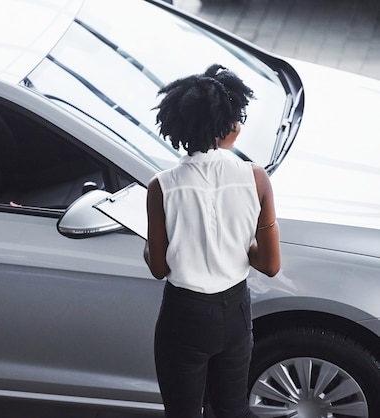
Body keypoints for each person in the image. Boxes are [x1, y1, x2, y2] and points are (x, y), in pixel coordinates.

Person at [143, 64, 281, 418]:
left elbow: (158, 267)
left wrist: (167, 243)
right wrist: (235, 244)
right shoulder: (256, 178)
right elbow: (269, 264)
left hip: (184, 317)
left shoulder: (162, 186)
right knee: (231, 410)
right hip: (235, 314)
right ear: (228, 122)